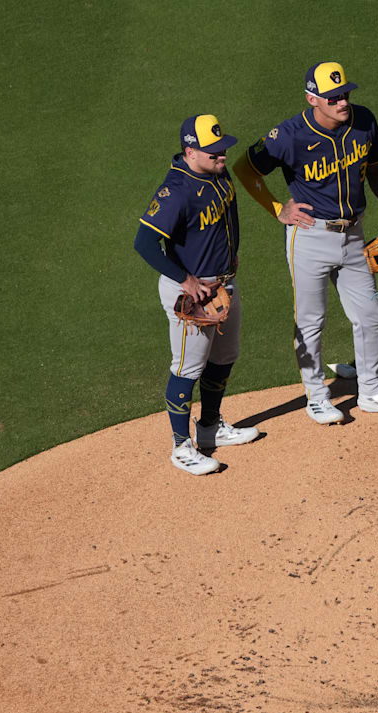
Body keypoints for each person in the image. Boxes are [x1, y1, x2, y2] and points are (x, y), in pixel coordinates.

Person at [233, 61, 378, 424]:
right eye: (333, 97)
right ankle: (317, 397)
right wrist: (276, 208)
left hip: (353, 236)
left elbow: (376, 167)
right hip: (309, 237)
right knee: (310, 321)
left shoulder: (363, 120)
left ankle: (371, 391)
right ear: (312, 98)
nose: (342, 101)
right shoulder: (287, 135)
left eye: (345, 93)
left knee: (369, 313)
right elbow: (244, 168)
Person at [134, 114, 260, 476]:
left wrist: (232, 249)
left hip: (223, 284)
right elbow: (144, 243)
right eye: (214, 152)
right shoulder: (176, 190)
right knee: (188, 367)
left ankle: (210, 427)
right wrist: (186, 280)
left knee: (225, 356)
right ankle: (181, 446)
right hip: (192, 291)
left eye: (223, 149)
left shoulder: (218, 174)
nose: (223, 156)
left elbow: (229, 212)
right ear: (191, 151)